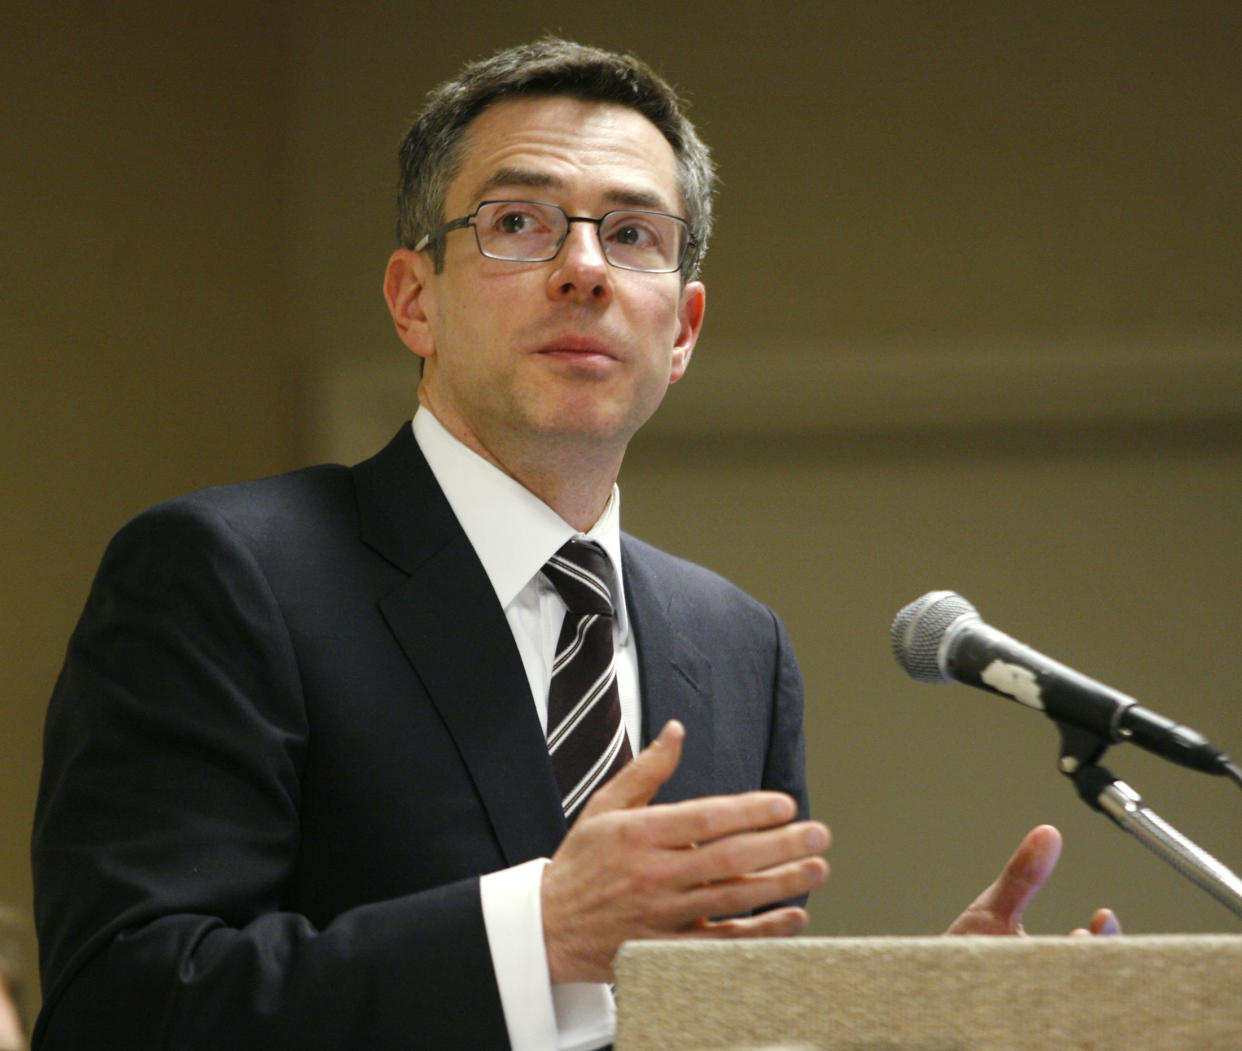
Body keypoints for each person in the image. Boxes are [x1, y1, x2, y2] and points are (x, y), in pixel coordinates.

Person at [31, 38, 1115, 1051]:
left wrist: (905, 1026)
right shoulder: (229, 572)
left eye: (633, 233)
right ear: (414, 299)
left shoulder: (735, 642)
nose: (585, 269)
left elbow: (704, 1022)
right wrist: (535, 935)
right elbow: (122, 1001)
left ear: (681, 328)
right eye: (518, 223)